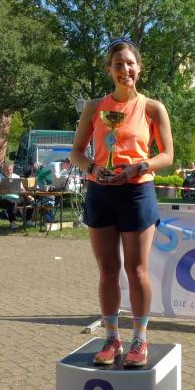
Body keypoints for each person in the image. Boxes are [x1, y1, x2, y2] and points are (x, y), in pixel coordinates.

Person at [70, 37, 173, 368]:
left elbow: (167, 155)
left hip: (137, 192)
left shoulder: (153, 108)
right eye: (118, 64)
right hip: (100, 192)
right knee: (108, 270)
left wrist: (140, 166)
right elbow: (77, 152)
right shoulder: (94, 108)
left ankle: (139, 339)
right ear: (109, 70)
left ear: (139, 68)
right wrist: (92, 169)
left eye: (130, 63)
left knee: (136, 269)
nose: (124, 69)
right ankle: (112, 338)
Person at [0, 161, 36, 230]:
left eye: (10, 169)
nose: (9, 171)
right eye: (7, 170)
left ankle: (28, 220)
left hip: (16, 197)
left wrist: (28, 195)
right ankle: (13, 222)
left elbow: (22, 189)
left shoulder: (16, 176)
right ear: (3, 169)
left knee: (32, 200)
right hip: (2, 199)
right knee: (12, 203)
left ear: (13, 169)